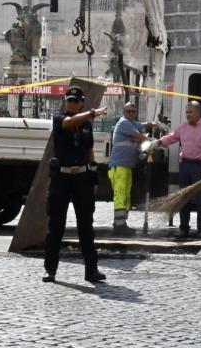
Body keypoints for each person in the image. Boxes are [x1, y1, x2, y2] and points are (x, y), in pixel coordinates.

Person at [44, 86, 107, 284]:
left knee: (86, 227)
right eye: (68, 100)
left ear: (81, 102)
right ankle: (50, 270)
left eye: (75, 101)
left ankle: (91, 270)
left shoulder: (87, 125)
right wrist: (91, 113)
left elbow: (89, 150)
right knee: (56, 226)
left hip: (81, 178)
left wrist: (94, 174)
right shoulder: (59, 119)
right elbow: (69, 123)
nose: (71, 103)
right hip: (61, 178)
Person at [158, 100, 201, 238]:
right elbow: (172, 137)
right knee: (183, 198)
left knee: (200, 199)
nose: (188, 115)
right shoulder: (183, 127)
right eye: (186, 112)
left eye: (190, 112)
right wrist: (159, 142)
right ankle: (183, 228)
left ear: (198, 113)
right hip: (185, 166)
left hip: (199, 166)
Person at [107, 101, 145, 235]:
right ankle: (119, 226)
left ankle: (121, 223)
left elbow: (143, 126)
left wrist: (154, 124)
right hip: (119, 166)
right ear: (124, 113)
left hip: (127, 166)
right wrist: (152, 143)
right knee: (120, 195)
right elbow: (139, 136)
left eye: (133, 112)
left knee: (126, 197)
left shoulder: (133, 124)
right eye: (128, 111)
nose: (131, 113)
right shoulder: (124, 123)